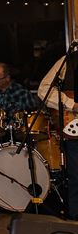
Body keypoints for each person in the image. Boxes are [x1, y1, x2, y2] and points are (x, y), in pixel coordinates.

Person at [38, 51, 78, 219]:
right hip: (74, 129)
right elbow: (44, 90)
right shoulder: (69, 60)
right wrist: (71, 104)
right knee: (76, 177)